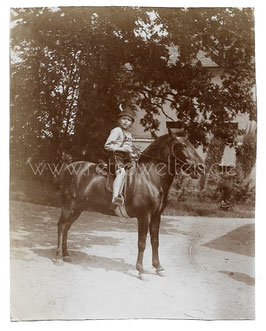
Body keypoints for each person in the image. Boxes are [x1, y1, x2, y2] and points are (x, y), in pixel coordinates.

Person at [104, 107, 135, 208]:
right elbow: (107, 145)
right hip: (115, 157)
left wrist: (133, 154)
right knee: (121, 172)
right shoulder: (117, 130)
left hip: (126, 158)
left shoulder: (129, 134)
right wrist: (123, 149)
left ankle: (127, 196)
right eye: (124, 119)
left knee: (135, 172)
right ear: (119, 120)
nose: (126, 121)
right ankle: (115, 198)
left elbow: (129, 148)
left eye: (129, 120)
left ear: (131, 123)